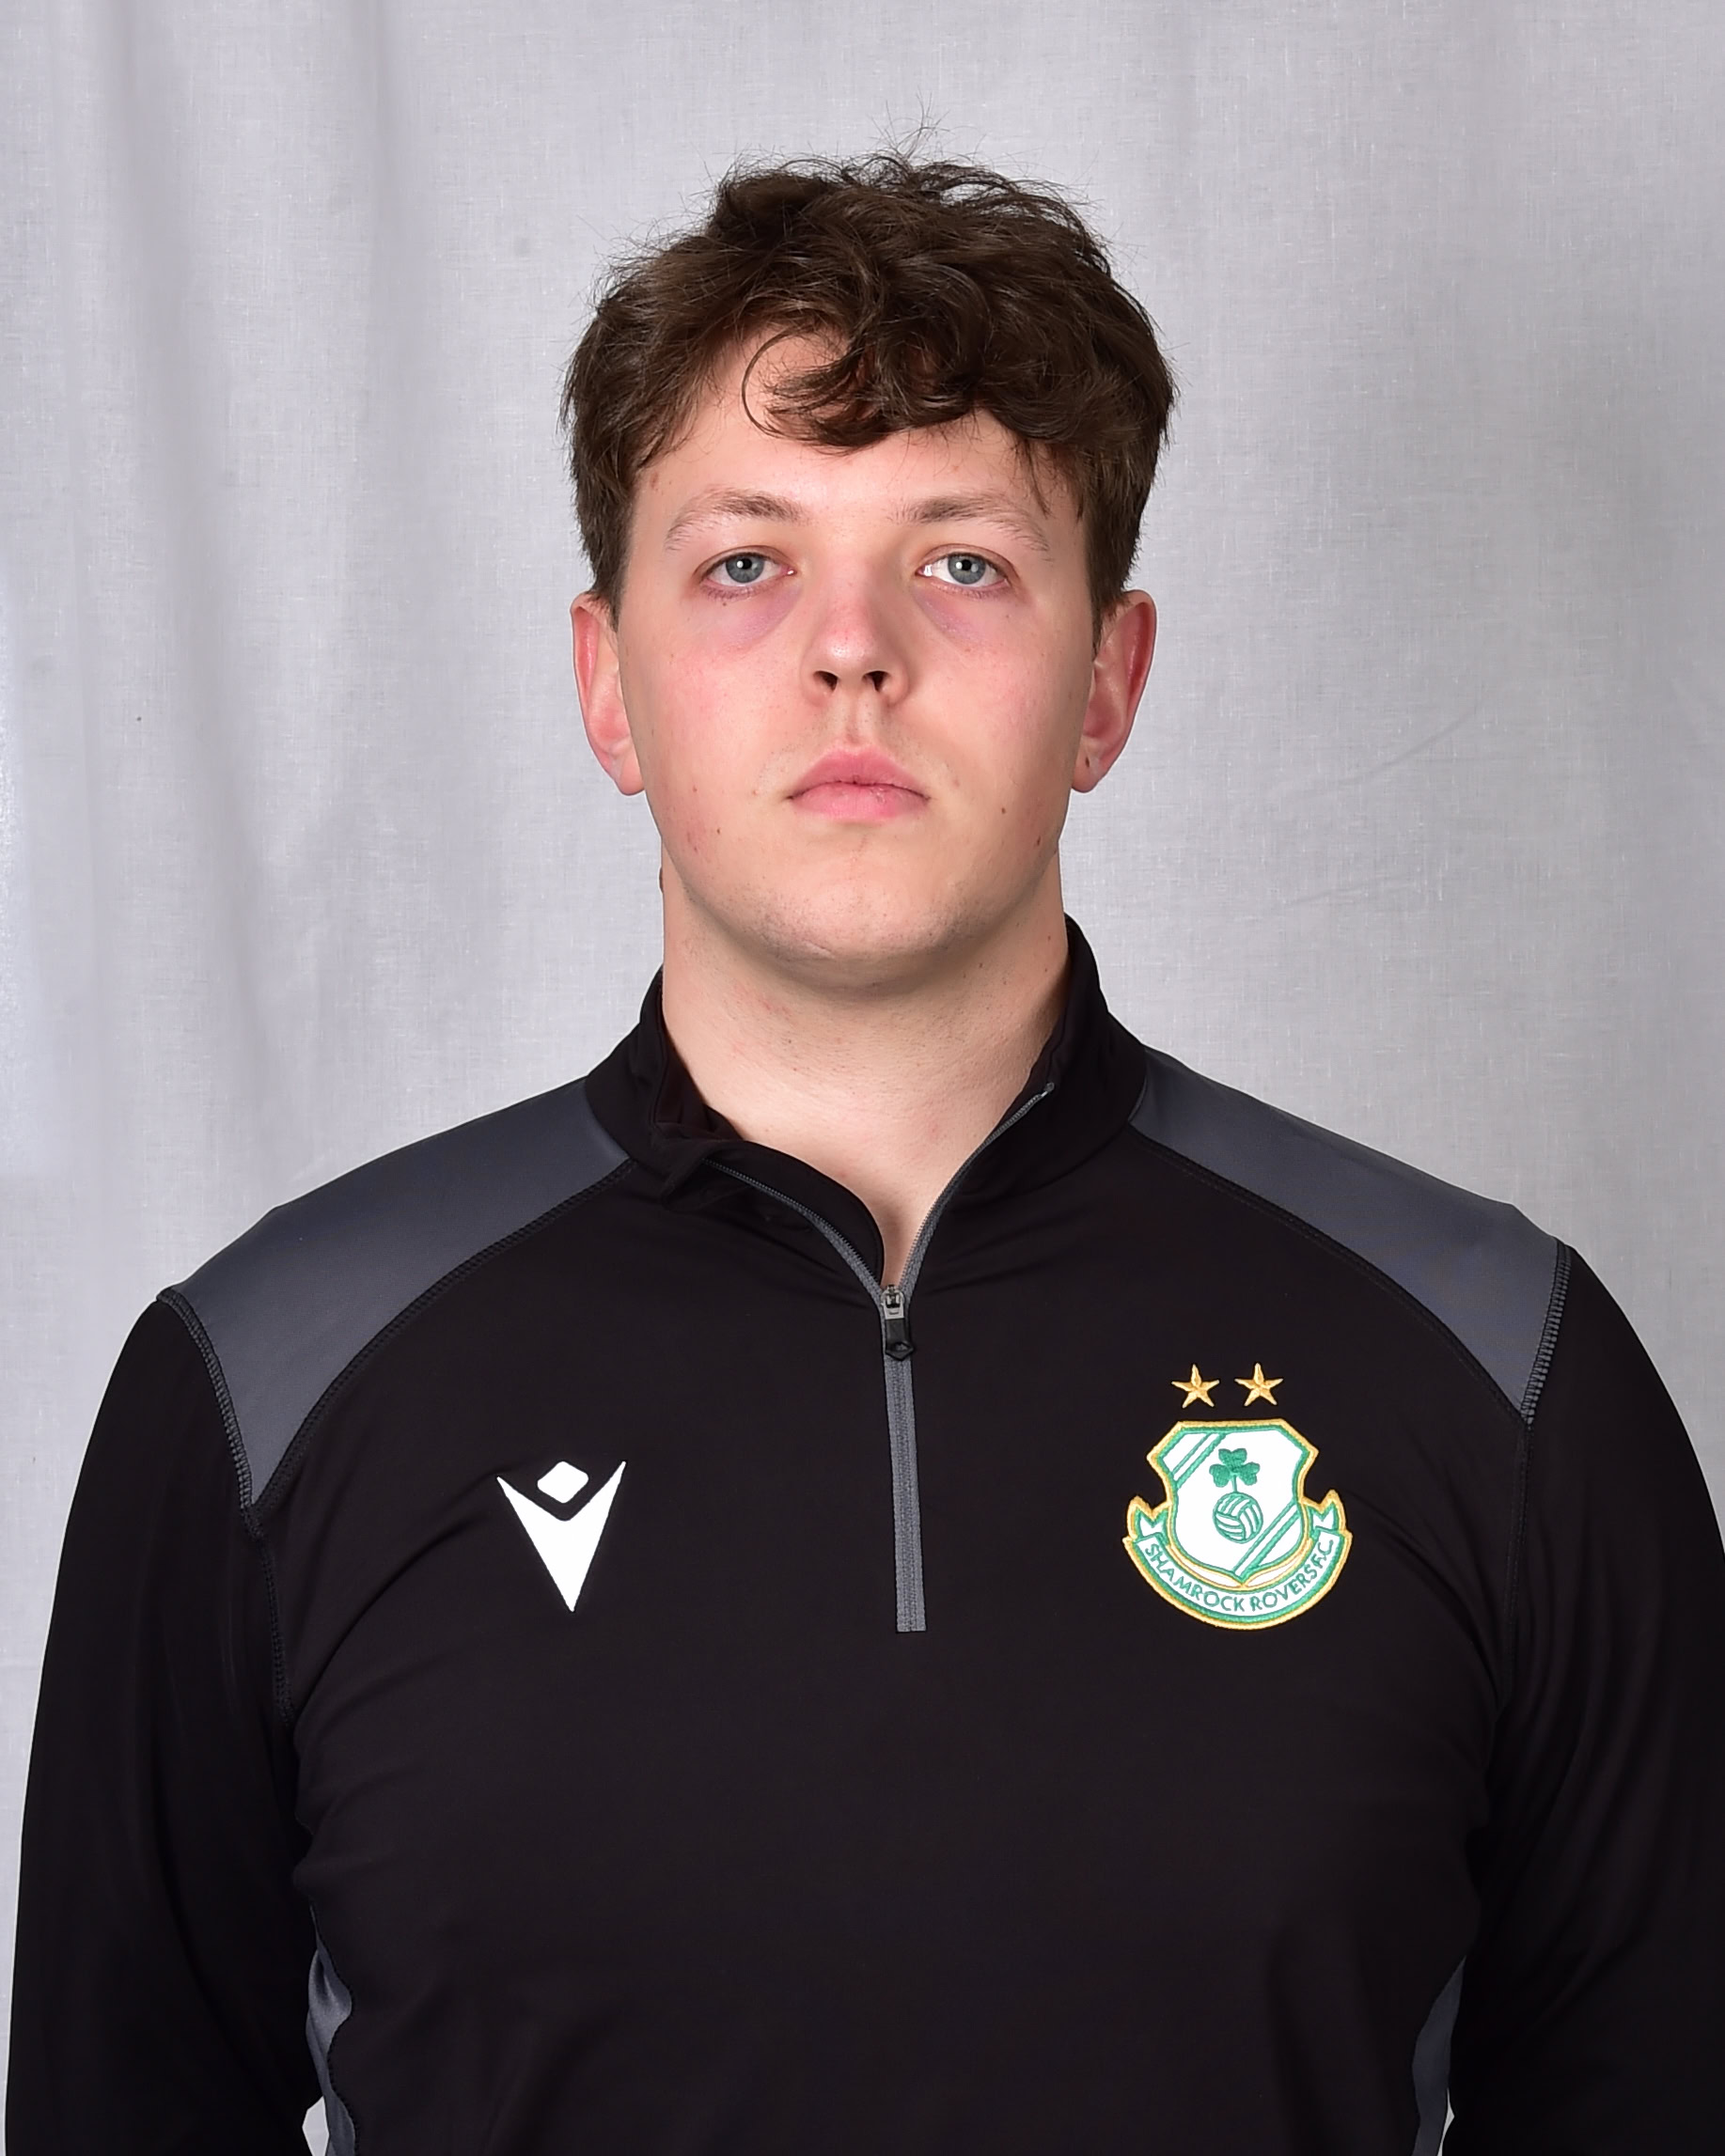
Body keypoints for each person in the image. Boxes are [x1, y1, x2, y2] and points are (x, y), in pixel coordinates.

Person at [8, 152, 1723, 2156]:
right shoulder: (264, 1387)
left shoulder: (1502, 1372)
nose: (854, 652)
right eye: (745, 561)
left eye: (964, 561)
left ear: (1110, 680)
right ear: (604, 684)